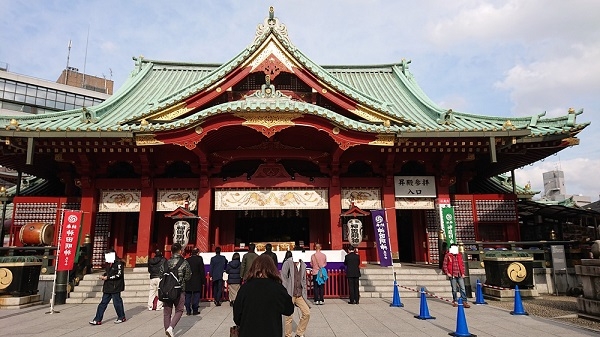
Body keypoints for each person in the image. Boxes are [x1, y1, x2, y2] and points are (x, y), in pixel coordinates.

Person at [233, 254, 294, 337]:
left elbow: (237, 317)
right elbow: (289, 309)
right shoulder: (278, 288)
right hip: (272, 332)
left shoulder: (245, 288)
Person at [161, 243, 192, 337]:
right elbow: (188, 276)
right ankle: (171, 328)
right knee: (179, 310)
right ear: (180, 251)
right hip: (179, 289)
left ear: (171, 251)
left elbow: (161, 274)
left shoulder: (165, 262)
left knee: (167, 312)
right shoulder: (184, 262)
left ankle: (167, 330)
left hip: (166, 290)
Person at [89, 249, 126, 325]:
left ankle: (121, 317)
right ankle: (97, 319)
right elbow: (108, 273)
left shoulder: (119, 263)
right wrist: (104, 275)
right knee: (103, 303)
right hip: (108, 286)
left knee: (117, 303)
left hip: (115, 286)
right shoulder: (108, 264)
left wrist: (108, 277)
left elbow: (119, 275)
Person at [281, 250, 311, 337]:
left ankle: (299, 332)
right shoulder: (288, 263)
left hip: (299, 294)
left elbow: (304, 280)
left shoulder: (303, 265)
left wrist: (304, 292)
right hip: (290, 293)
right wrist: (286, 291)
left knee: (307, 313)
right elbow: (283, 277)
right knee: (288, 316)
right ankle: (288, 335)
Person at [184, 247, 205, 315]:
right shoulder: (199, 259)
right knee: (196, 295)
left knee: (188, 295)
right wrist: (203, 280)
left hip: (188, 280)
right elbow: (202, 270)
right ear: (198, 253)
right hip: (197, 279)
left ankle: (188, 309)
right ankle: (195, 309)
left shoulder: (187, 260)